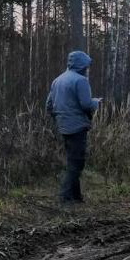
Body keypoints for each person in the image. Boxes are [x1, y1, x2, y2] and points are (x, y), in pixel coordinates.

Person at [46, 51, 101, 205]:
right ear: (82, 65)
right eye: (87, 66)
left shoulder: (57, 80)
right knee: (77, 163)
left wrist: (60, 117)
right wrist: (96, 102)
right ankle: (64, 197)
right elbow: (86, 104)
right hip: (77, 126)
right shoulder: (81, 81)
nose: (88, 69)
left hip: (63, 126)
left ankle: (76, 198)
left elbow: (49, 106)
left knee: (72, 161)